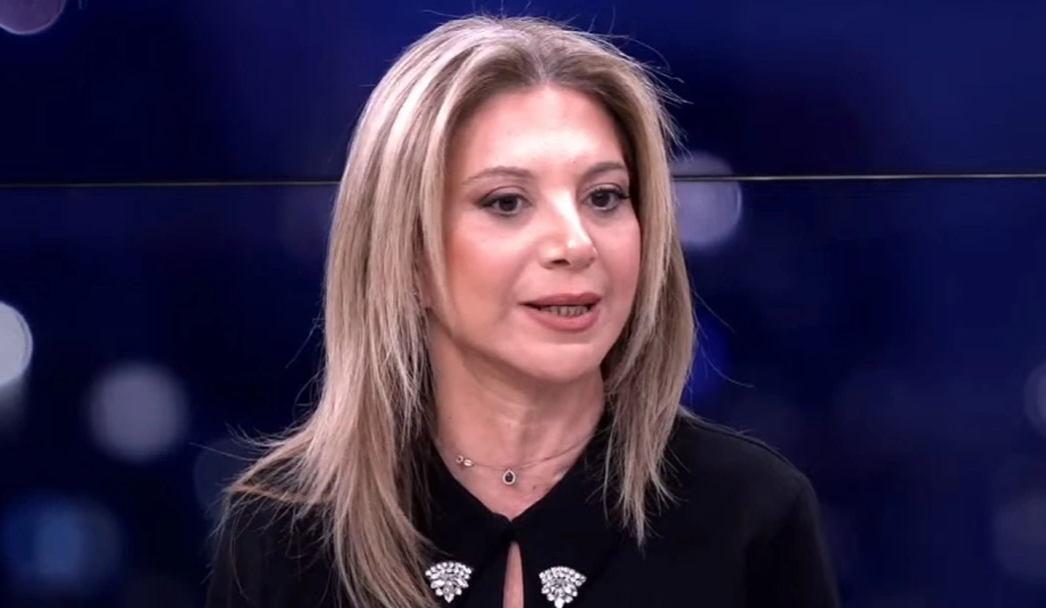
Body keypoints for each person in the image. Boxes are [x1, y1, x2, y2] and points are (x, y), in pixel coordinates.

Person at [205, 14, 840, 608]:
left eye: (604, 197)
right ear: (408, 254)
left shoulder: (752, 513)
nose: (576, 243)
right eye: (507, 202)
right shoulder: (284, 534)